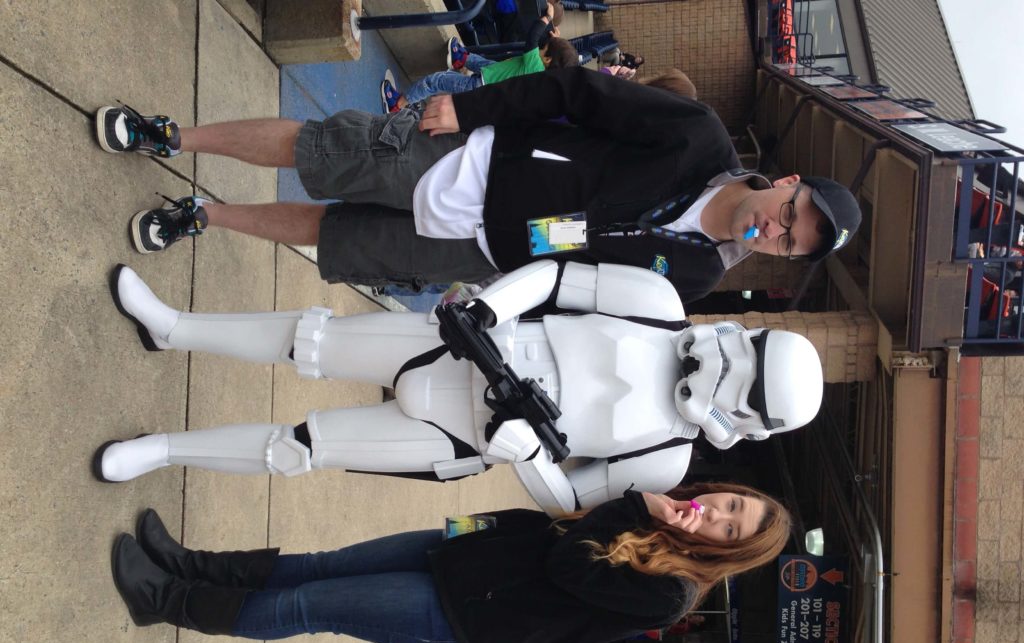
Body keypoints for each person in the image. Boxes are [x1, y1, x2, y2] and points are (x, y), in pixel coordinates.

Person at [95, 260, 824, 514]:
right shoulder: (658, 304)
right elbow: (563, 277)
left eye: (748, 385)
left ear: (748, 423)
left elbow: (572, 499)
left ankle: (161, 450)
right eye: (750, 351)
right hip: (472, 344)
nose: (730, 364)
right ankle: (175, 326)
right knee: (309, 339)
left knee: (303, 448)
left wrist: (527, 457)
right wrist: (492, 309)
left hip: (465, 436)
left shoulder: (669, 458)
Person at [95, 67, 862, 303]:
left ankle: (203, 214)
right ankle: (171, 135)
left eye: (793, 245)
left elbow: (579, 292)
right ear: (785, 182)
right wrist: (469, 104)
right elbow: (576, 92)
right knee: (322, 150)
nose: (779, 232)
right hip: (472, 162)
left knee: (333, 236)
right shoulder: (696, 136)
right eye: (791, 214)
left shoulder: (694, 275)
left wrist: (494, 299)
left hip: (479, 257)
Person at [110, 483, 792, 643]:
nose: (718, 519)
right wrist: (473, 526)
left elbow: (567, 563)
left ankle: (166, 600)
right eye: (730, 505)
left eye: (731, 530)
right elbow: (553, 522)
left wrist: (626, 505)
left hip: (463, 620)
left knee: (309, 605)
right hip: (464, 551)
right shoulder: (661, 515)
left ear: (729, 554)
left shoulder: (671, 594)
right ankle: (189, 564)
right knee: (317, 565)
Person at [381, 33, 577, 114]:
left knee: (437, 82)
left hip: (480, 86)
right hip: (492, 81)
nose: (541, 47)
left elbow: (533, 33)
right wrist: (556, 44)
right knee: (486, 63)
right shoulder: (542, 77)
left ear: (548, 60)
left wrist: (547, 18)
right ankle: (460, 58)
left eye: (545, 48)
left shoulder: (534, 63)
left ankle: (398, 105)